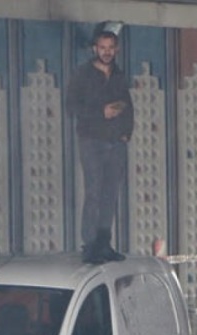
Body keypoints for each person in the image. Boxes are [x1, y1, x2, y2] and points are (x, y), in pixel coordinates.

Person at [66, 23, 134, 264]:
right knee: (94, 192)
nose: (106, 52)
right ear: (95, 48)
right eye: (102, 47)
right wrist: (100, 112)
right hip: (92, 140)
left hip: (116, 141)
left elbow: (127, 104)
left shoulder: (118, 74)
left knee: (110, 194)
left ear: (116, 49)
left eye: (110, 47)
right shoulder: (82, 74)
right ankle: (90, 245)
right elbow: (71, 106)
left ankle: (105, 243)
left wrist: (126, 132)